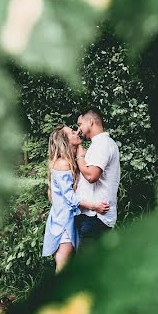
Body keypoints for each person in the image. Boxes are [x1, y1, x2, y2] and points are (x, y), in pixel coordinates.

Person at [42, 125, 110, 273]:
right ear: (64, 141)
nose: (77, 131)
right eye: (72, 132)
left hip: (70, 220)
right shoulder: (62, 163)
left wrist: (80, 154)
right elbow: (70, 198)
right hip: (63, 224)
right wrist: (94, 206)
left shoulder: (72, 160)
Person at [74, 109, 122, 247]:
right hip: (92, 216)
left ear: (90, 122)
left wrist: (79, 157)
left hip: (95, 218)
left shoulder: (102, 144)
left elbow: (91, 175)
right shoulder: (98, 144)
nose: (78, 130)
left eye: (80, 124)